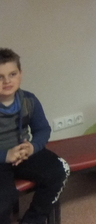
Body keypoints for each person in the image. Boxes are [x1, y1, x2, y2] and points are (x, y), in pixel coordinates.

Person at [0, 48, 69, 224]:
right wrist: (5, 155)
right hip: (1, 159)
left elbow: (43, 130)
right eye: (0, 77)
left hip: (24, 154)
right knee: (3, 200)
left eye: (12, 74)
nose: (7, 81)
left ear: (20, 74)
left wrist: (32, 147)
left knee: (59, 170)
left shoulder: (29, 100)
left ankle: (32, 220)